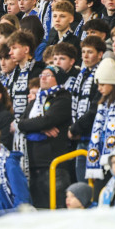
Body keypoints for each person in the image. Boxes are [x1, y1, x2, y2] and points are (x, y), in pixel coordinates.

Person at [16, 66, 73, 208]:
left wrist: (37, 124)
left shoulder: (63, 99)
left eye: (48, 75)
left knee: (57, 211)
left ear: (58, 79)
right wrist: (39, 129)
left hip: (54, 166)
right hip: (33, 167)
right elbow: (21, 122)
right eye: (42, 74)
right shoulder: (36, 101)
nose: (43, 77)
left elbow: (46, 121)